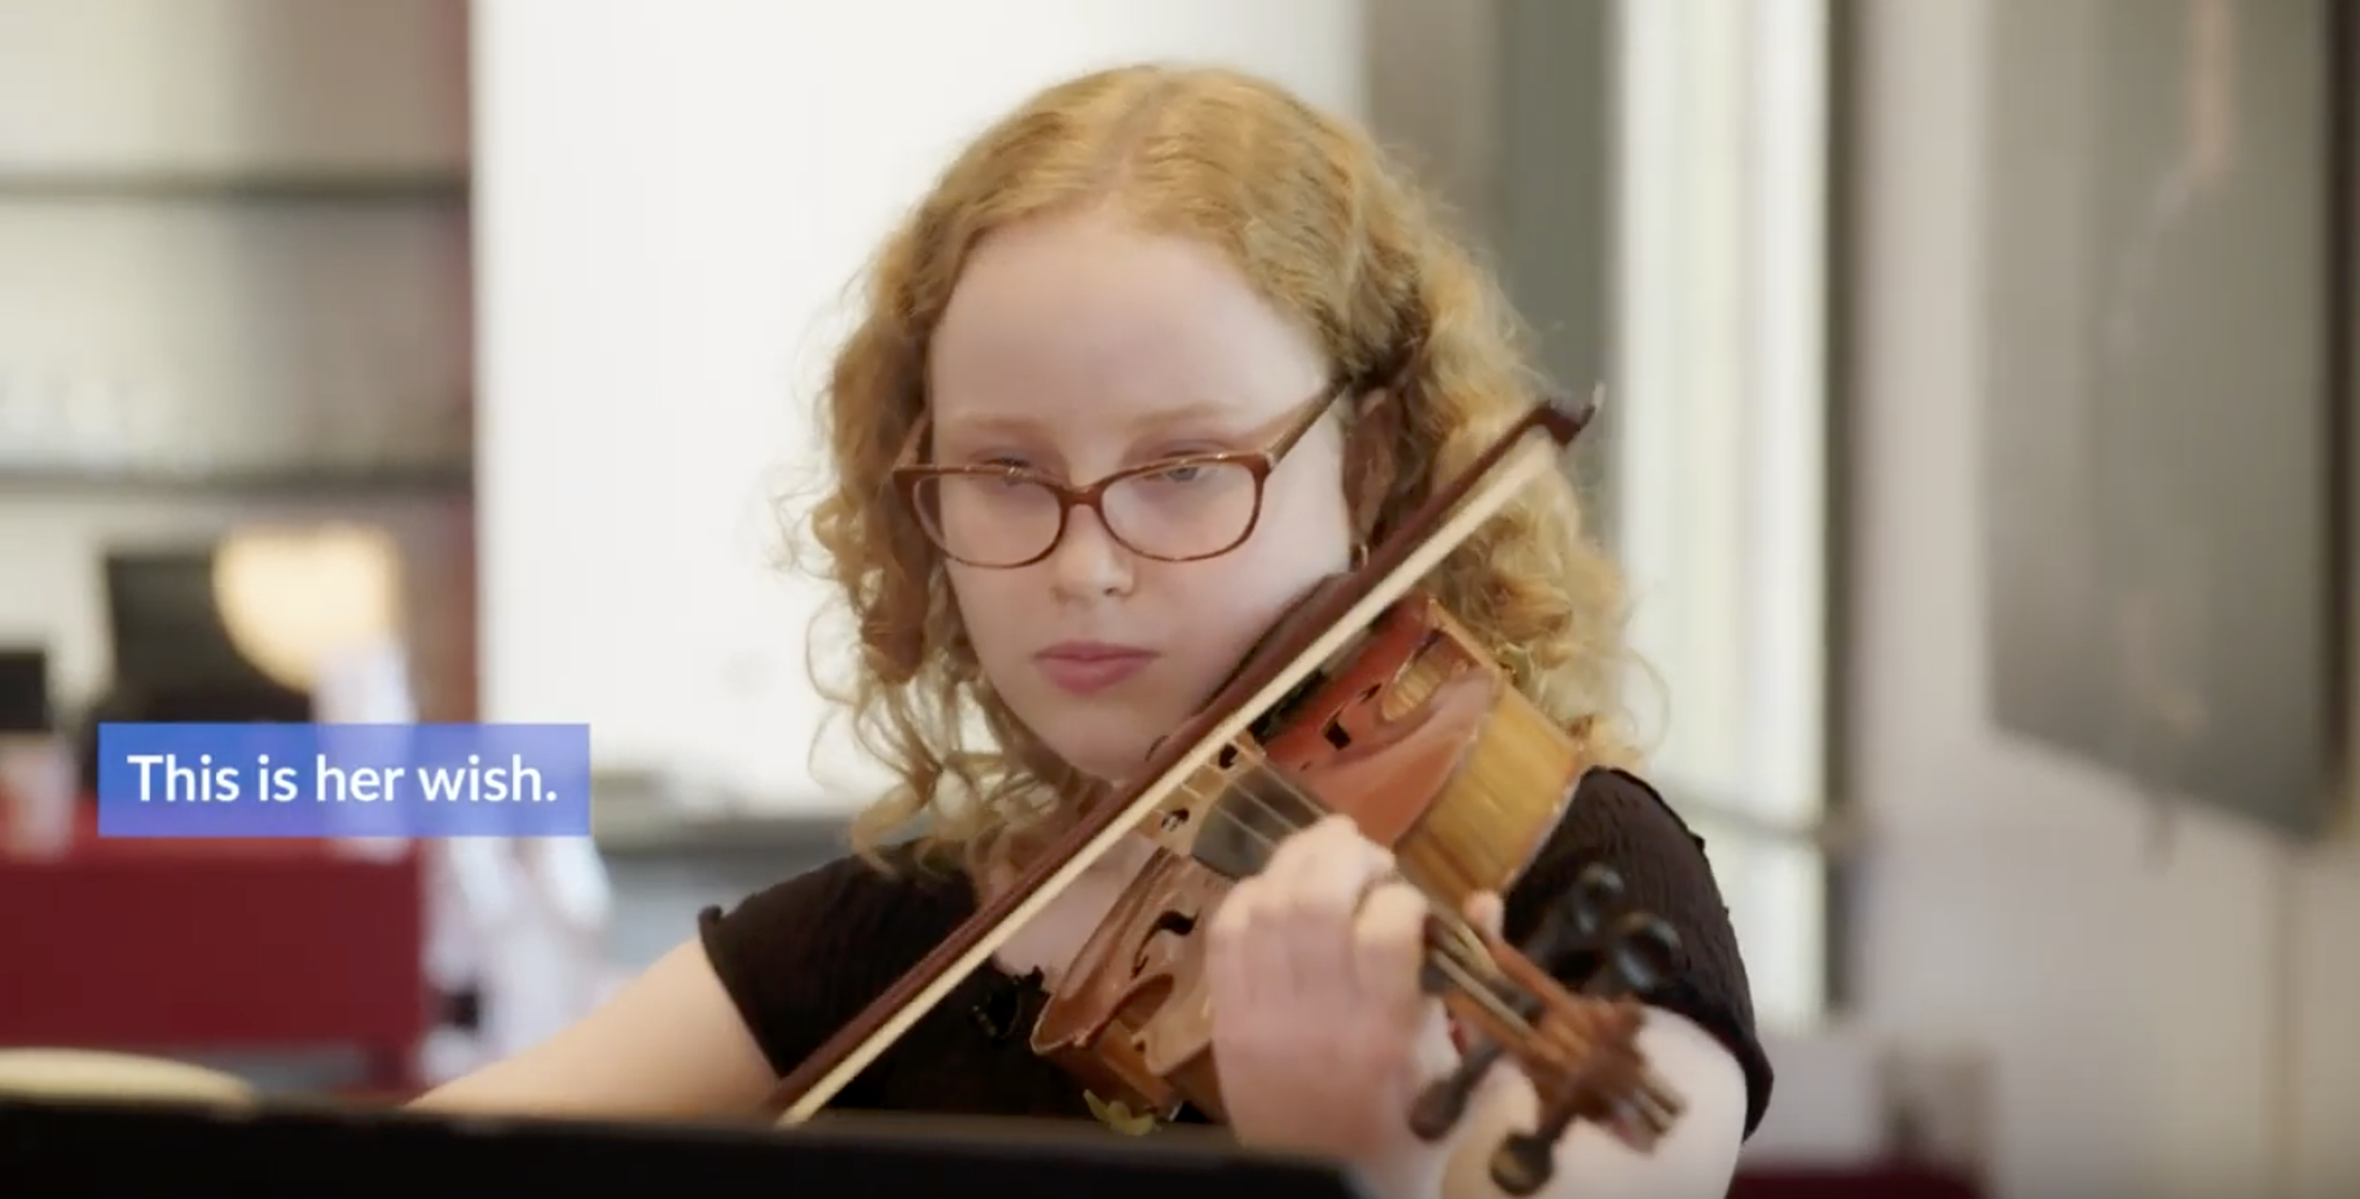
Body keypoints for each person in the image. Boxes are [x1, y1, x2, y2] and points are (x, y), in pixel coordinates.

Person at [415, 63, 1774, 1199]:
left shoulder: (1580, 880)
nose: (1084, 565)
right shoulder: (917, 924)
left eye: (1185, 468)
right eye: (1007, 472)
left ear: (1365, 470)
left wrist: (1361, 1158)